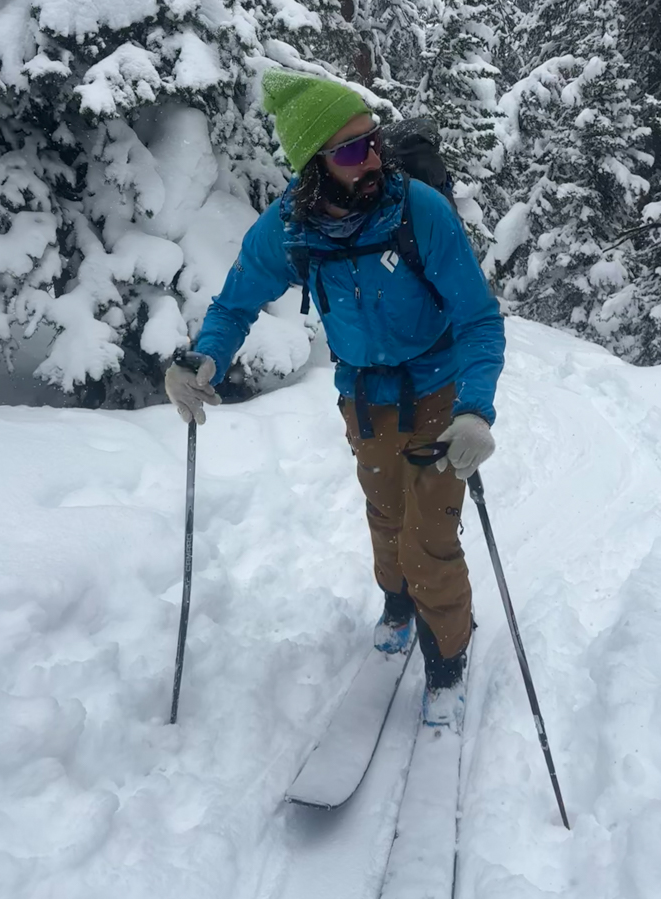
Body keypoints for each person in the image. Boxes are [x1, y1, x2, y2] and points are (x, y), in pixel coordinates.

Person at [165, 69, 505, 730]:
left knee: (429, 530)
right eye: (351, 150)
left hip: (436, 391)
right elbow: (236, 302)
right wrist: (205, 357)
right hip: (363, 397)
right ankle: (398, 604)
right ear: (314, 166)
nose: (372, 157)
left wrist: (475, 408)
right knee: (385, 512)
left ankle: (447, 657)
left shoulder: (418, 210)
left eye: (372, 140)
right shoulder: (290, 227)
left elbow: (478, 319)